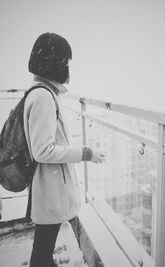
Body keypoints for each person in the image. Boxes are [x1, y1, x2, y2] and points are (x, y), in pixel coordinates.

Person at [24, 32, 106, 267]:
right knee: (41, 254)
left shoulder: (42, 92)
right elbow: (43, 150)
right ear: (54, 62)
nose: (68, 68)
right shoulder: (43, 97)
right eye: (65, 62)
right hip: (49, 191)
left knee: (42, 250)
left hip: (47, 188)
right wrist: (85, 153)